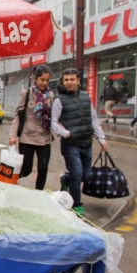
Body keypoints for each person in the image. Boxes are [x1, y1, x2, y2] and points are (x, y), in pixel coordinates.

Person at [51, 68, 108, 217]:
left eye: (72, 79)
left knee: (85, 176)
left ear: (77, 80)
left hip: (86, 143)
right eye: (66, 80)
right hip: (70, 145)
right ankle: (76, 204)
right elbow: (54, 121)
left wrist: (101, 138)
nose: (69, 82)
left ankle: (65, 179)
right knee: (77, 174)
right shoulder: (59, 99)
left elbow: (94, 119)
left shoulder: (85, 97)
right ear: (63, 81)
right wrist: (65, 133)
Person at [8, 65, 54, 190]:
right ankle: (14, 188)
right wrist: (13, 135)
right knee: (26, 169)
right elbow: (18, 115)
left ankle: (39, 194)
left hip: (44, 137)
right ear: (36, 79)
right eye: (42, 80)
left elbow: (54, 116)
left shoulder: (50, 95)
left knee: (43, 168)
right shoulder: (27, 93)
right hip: (27, 137)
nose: (44, 83)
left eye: (47, 80)